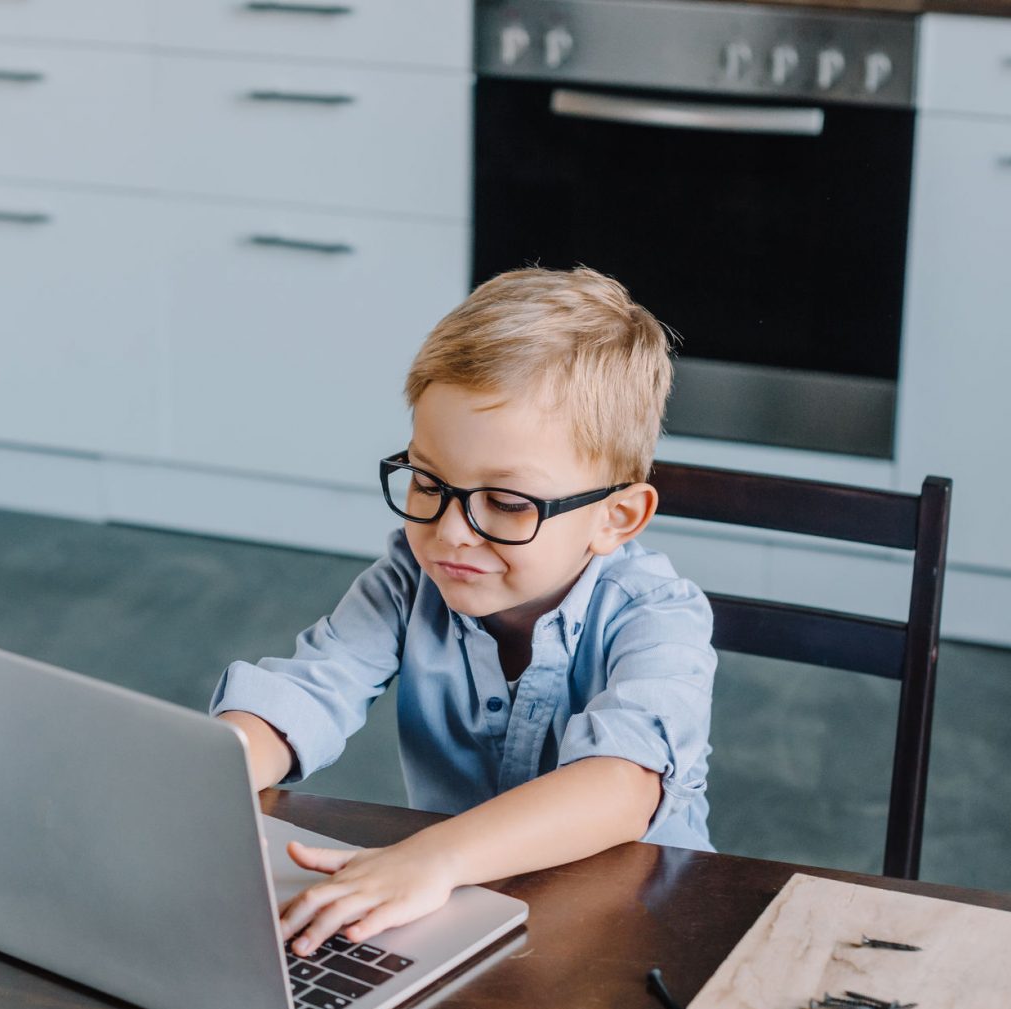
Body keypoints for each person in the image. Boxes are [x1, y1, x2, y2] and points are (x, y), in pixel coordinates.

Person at [211, 266, 714, 956]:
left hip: (631, 933)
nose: (450, 533)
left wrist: (436, 856)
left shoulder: (657, 617)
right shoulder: (408, 579)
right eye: (427, 481)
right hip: (461, 913)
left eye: (507, 503)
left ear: (616, 517)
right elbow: (304, 694)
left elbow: (620, 785)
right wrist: (211, 770)